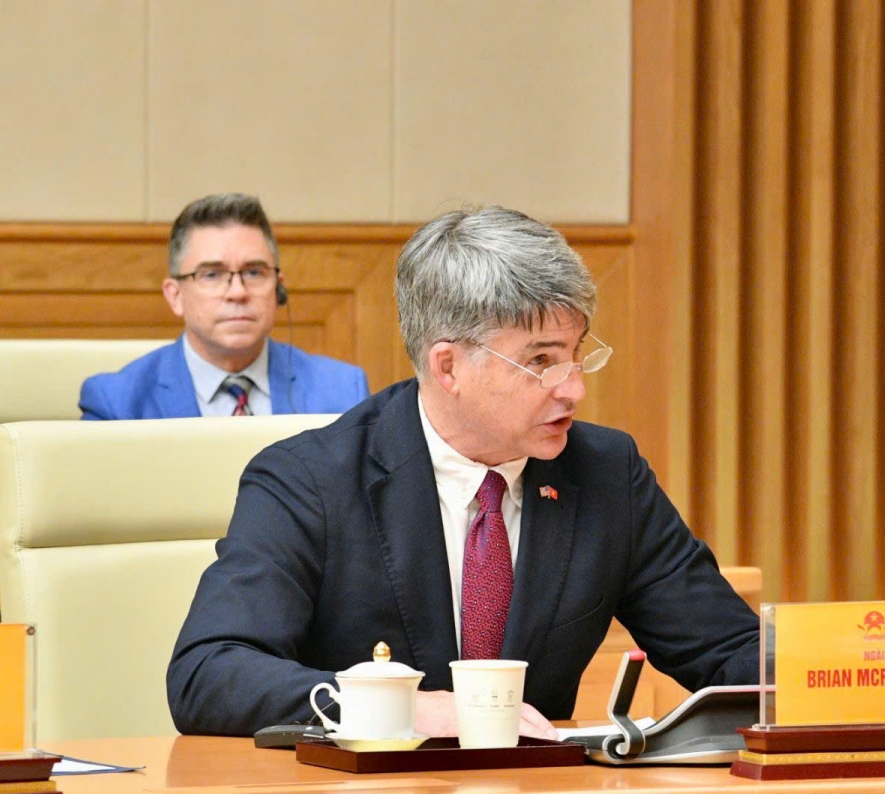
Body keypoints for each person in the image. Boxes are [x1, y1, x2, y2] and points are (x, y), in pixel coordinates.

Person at [167, 206, 759, 738]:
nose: (574, 389)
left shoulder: (607, 474)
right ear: (448, 366)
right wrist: (402, 709)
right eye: (541, 362)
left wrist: (832, 671)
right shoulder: (309, 481)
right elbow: (209, 672)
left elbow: (729, 650)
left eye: (577, 356)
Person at [79, 193, 368, 420]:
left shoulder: (342, 393)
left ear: (278, 287)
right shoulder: (118, 404)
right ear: (175, 295)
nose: (238, 292)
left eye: (254, 272)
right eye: (212, 275)